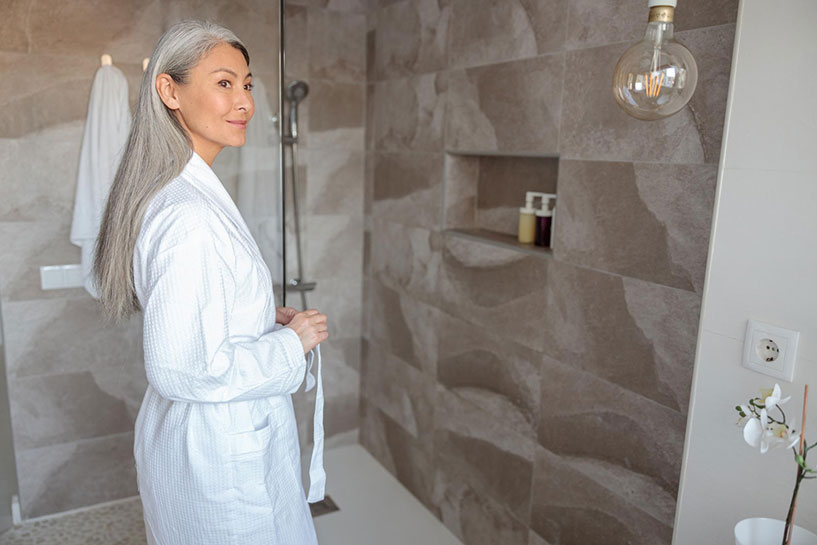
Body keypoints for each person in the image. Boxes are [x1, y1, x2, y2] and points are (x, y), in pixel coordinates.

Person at [92, 19, 328, 545]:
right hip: (220, 457)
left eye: (246, 84)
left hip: (209, 444)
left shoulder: (184, 191)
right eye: (224, 83)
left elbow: (195, 312)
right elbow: (181, 368)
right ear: (169, 90)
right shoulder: (188, 215)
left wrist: (262, 319)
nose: (244, 101)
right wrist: (292, 343)